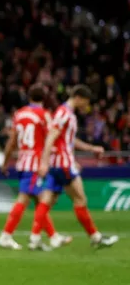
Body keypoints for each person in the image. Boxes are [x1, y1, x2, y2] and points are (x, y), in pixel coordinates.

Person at [35, 85, 119, 249]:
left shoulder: (68, 114)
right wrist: (44, 162)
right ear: (79, 97)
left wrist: (91, 148)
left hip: (61, 162)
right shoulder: (64, 113)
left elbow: (69, 141)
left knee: (48, 200)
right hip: (62, 164)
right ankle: (95, 237)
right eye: (85, 102)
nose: (86, 106)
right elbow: (51, 137)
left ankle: (35, 237)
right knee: (80, 199)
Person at [0, 84, 70, 250]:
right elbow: (52, 138)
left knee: (39, 201)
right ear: (44, 99)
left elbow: (12, 142)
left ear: (28, 97)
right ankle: (6, 235)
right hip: (36, 164)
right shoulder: (44, 115)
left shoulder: (19, 114)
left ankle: (52, 236)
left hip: (23, 162)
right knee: (28, 198)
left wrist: (5, 162)